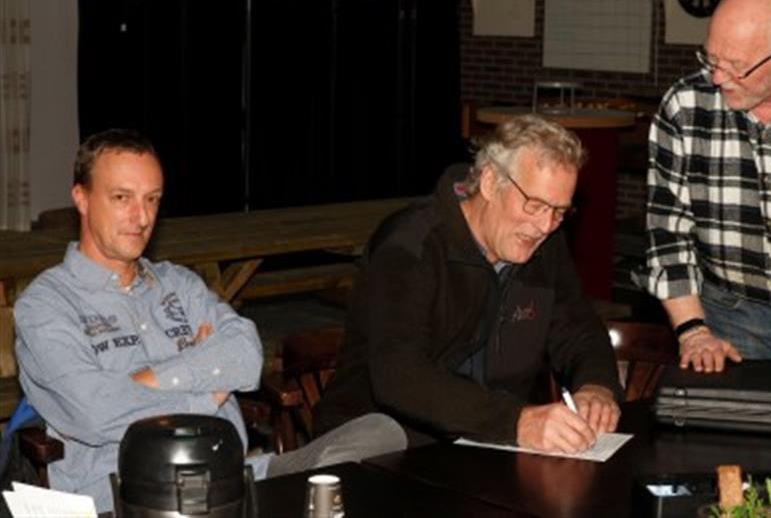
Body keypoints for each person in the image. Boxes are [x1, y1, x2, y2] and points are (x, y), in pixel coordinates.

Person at [14, 129, 406, 513]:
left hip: (237, 480)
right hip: (129, 495)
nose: (142, 217)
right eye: (122, 198)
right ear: (81, 198)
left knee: (381, 433)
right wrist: (205, 391)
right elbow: (95, 413)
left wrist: (145, 380)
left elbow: (245, 355)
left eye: (152, 199)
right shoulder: (46, 306)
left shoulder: (178, 284)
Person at [314, 114, 622, 454]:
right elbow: (399, 376)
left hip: (488, 447)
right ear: (490, 182)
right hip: (384, 445)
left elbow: (578, 328)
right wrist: (517, 422)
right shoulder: (411, 245)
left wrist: (597, 386)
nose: (545, 225)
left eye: (559, 211)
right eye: (534, 205)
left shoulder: (545, 247)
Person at [640, 0, 771, 373]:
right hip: (731, 314)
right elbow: (668, 232)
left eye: (735, 65)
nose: (716, 77)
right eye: (711, 58)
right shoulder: (685, 106)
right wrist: (693, 331)